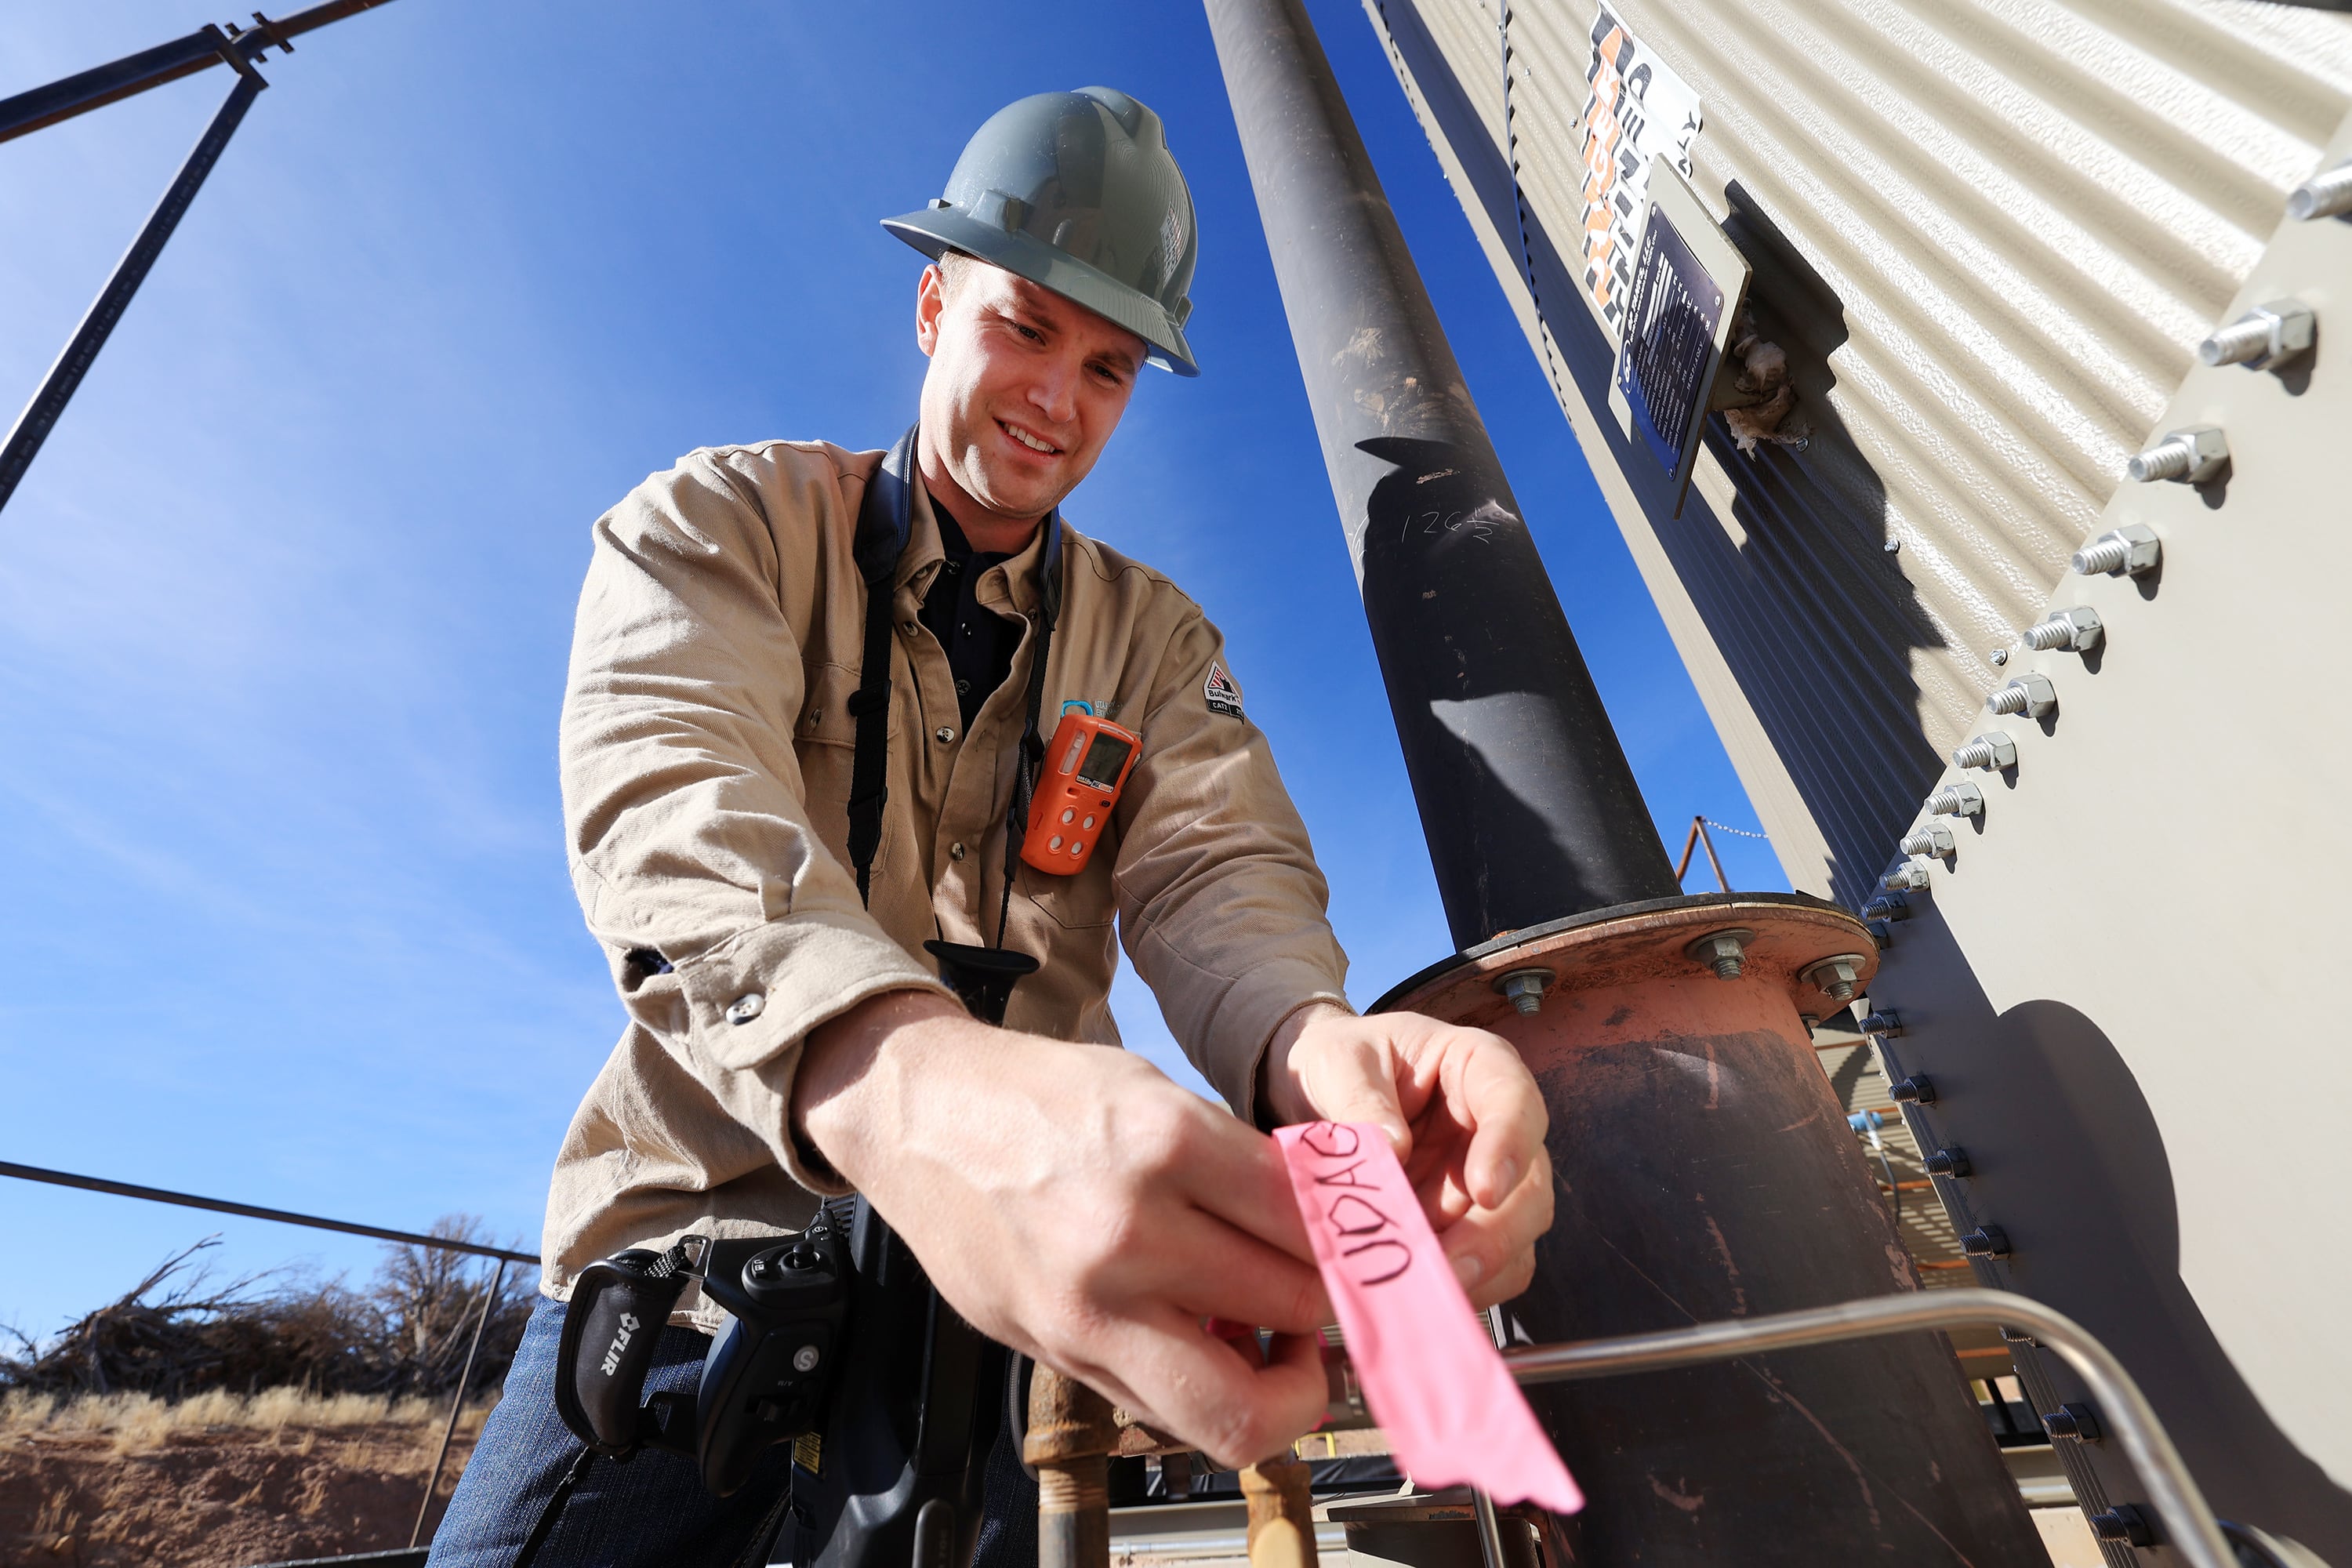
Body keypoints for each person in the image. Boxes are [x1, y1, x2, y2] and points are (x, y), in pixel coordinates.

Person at [427, 86, 1553, 1568]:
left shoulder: (1153, 642)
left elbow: (1220, 871)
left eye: (1109, 365)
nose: (1057, 400)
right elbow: (673, 797)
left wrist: (1306, 1043)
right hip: (705, 1265)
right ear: (931, 303)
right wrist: (902, 1092)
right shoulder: (722, 526)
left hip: (1011, 1323)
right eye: (1024, 327)